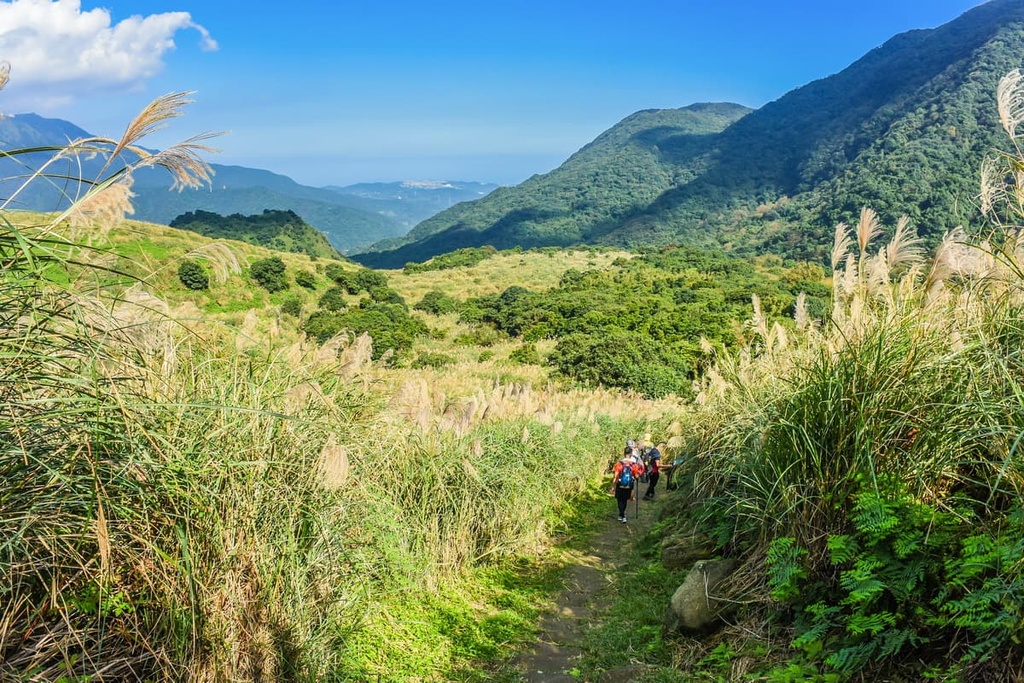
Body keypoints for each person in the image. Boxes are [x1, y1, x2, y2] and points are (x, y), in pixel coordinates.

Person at [610, 446, 641, 523]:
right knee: (624, 500)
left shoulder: (619, 464)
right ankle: (622, 515)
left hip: (620, 484)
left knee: (620, 500)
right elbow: (636, 475)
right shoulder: (633, 464)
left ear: (624, 453)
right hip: (629, 485)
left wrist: (613, 486)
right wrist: (637, 477)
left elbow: (616, 476)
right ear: (630, 454)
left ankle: (622, 515)